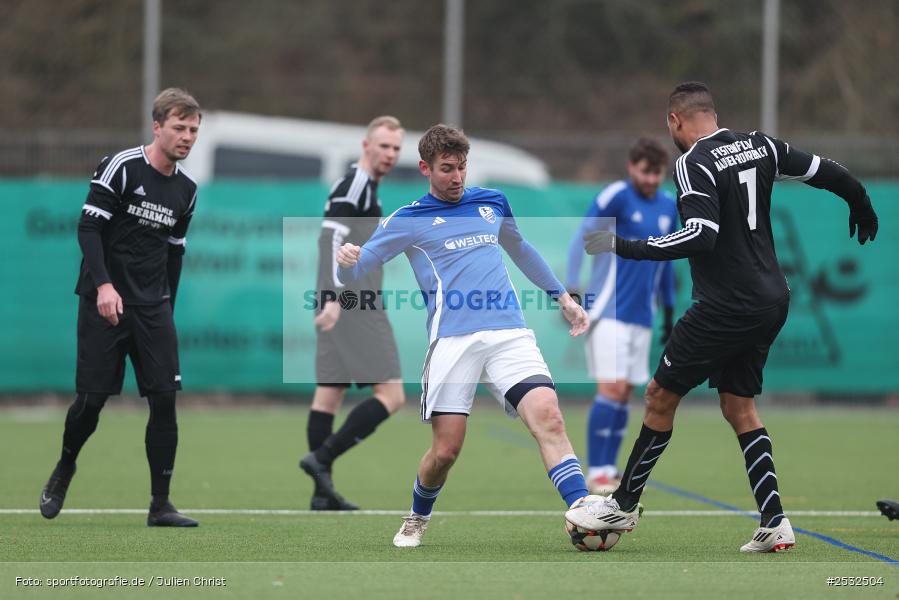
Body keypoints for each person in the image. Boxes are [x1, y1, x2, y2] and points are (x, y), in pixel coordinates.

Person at [566, 81, 879, 553]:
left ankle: (623, 504)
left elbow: (700, 236)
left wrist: (624, 246)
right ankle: (774, 521)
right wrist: (858, 198)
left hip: (725, 306)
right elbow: (824, 170)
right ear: (711, 114)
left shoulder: (693, 163)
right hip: (772, 299)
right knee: (739, 407)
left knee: (657, 397)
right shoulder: (761, 144)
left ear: (674, 121)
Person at [336, 124, 591, 547]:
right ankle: (417, 515)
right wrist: (348, 259)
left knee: (549, 416)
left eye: (462, 168)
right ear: (425, 168)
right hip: (453, 342)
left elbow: (521, 249)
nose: (457, 177)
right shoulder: (407, 219)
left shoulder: (492, 201)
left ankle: (583, 510)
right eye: (447, 169)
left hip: (509, 332)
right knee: (446, 452)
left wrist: (561, 297)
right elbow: (357, 269)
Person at [40, 88, 204, 527]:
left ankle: (160, 505)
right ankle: (64, 467)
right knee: (92, 401)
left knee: (165, 401)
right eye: (179, 128)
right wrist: (104, 286)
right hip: (105, 303)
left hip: (153, 307)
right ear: (157, 126)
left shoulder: (187, 190)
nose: (187, 137)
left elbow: (174, 251)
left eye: (193, 130)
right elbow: (88, 230)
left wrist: (167, 304)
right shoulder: (121, 167)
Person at [299, 116, 406, 511]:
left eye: (396, 148)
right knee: (392, 395)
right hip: (354, 304)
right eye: (384, 146)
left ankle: (320, 494)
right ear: (366, 145)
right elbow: (330, 237)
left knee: (329, 392)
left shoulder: (360, 184)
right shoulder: (356, 184)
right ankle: (322, 460)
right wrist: (332, 296)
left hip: (341, 301)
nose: (391, 154)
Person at [565, 137, 677, 495]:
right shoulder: (616, 195)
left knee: (626, 392)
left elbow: (668, 261)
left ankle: (609, 468)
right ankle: (596, 470)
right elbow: (581, 237)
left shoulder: (668, 205)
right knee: (610, 388)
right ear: (632, 168)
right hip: (608, 311)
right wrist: (572, 288)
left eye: (657, 173)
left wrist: (669, 309)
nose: (650, 179)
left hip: (643, 315)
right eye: (645, 171)